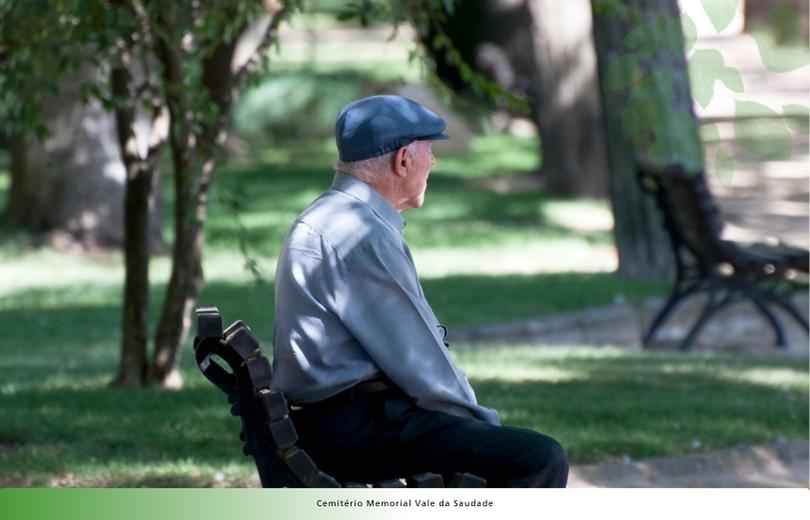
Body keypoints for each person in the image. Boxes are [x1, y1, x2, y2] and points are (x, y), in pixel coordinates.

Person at [272, 95, 568, 487]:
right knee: (538, 458)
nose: (434, 163)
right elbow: (422, 362)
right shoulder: (361, 235)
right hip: (355, 429)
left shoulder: (328, 216)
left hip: (328, 421)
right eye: (430, 151)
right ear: (404, 160)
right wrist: (483, 428)